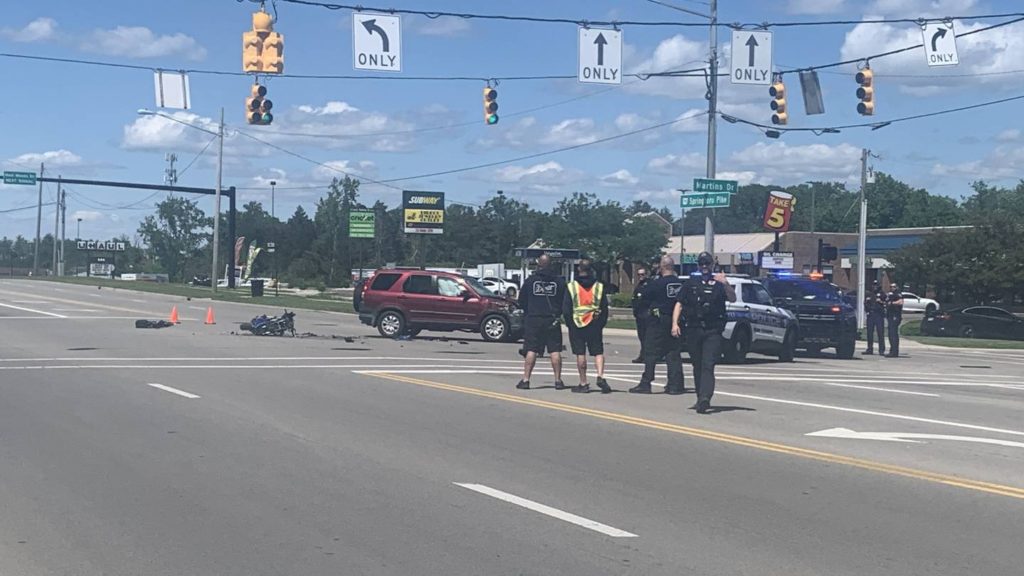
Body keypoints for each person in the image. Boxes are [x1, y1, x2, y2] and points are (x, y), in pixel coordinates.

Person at [672, 251, 735, 414]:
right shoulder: (691, 283)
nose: (705, 266)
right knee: (697, 364)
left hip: (712, 330)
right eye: (702, 264)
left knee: (708, 364)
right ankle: (700, 397)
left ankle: (705, 398)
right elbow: (679, 303)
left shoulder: (720, 283)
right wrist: (674, 324)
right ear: (698, 266)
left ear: (712, 265)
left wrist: (726, 283)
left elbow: (733, 298)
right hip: (693, 329)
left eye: (707, 263)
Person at [630, 256, 685, 395]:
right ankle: (674, 385)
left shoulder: (656, 284)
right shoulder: (680, 284)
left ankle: (646, 382)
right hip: (675, 322)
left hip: (658, 322)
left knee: (650, 352)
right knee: (673, 353)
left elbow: (643, 298)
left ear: (662, 267)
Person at [516, 254, 567, 390]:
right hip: (552, 319)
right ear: (551, 265)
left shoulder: (530, 281)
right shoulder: (559, 282)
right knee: (555, 350)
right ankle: (558, 380)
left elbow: (521, 301)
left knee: (531, 349)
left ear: (539, 264)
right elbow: (565, 301)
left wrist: (528, 311)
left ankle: (526, 380)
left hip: (533, 319)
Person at [563, 258, 612, 394]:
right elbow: (604, 308)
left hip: (577, 324)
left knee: (580, 353)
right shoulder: (599, 286)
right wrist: (601, 323)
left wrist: (570, 324)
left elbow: (566, 309)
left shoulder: (571, 286)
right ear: (591, 270)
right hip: (595, 323)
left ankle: (583, 382)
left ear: (579, 269)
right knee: (598, 352)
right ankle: (600, 376)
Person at [630, 267, 652, 363]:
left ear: (646, 274)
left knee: (647, 337)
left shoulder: (650, 285)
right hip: (639, 315)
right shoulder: (639, 285)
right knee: (642, 336)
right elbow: (635, 299)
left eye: (642, 274)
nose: (640, 276)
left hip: (647, 314)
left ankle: (646, 356)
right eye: (639, 275)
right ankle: (642, 355)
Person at [863, 280, 886, 355]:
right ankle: (870, 349)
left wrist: (881, 302)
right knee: (869, 333)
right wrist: (867, 311)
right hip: (871, 314)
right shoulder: (869, 294)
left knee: (880, 332)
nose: (875, 287)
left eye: (876, 285)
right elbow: (865, 303)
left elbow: (886, 304)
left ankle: (881, 350)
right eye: (874, 285)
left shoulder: (882, 294)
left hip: (879, 315)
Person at [885, 284, 903, 358]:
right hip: (890, 315)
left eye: (893, 287)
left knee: (893, 334)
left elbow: (901, 302)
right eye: (891, 287)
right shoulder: (890, 295)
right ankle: (892, 350)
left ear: (896, 287)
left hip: (895, 316)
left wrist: (892, 303)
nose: (892, 288)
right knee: (890, 334)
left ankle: (895, 352)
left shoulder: (898, 294)